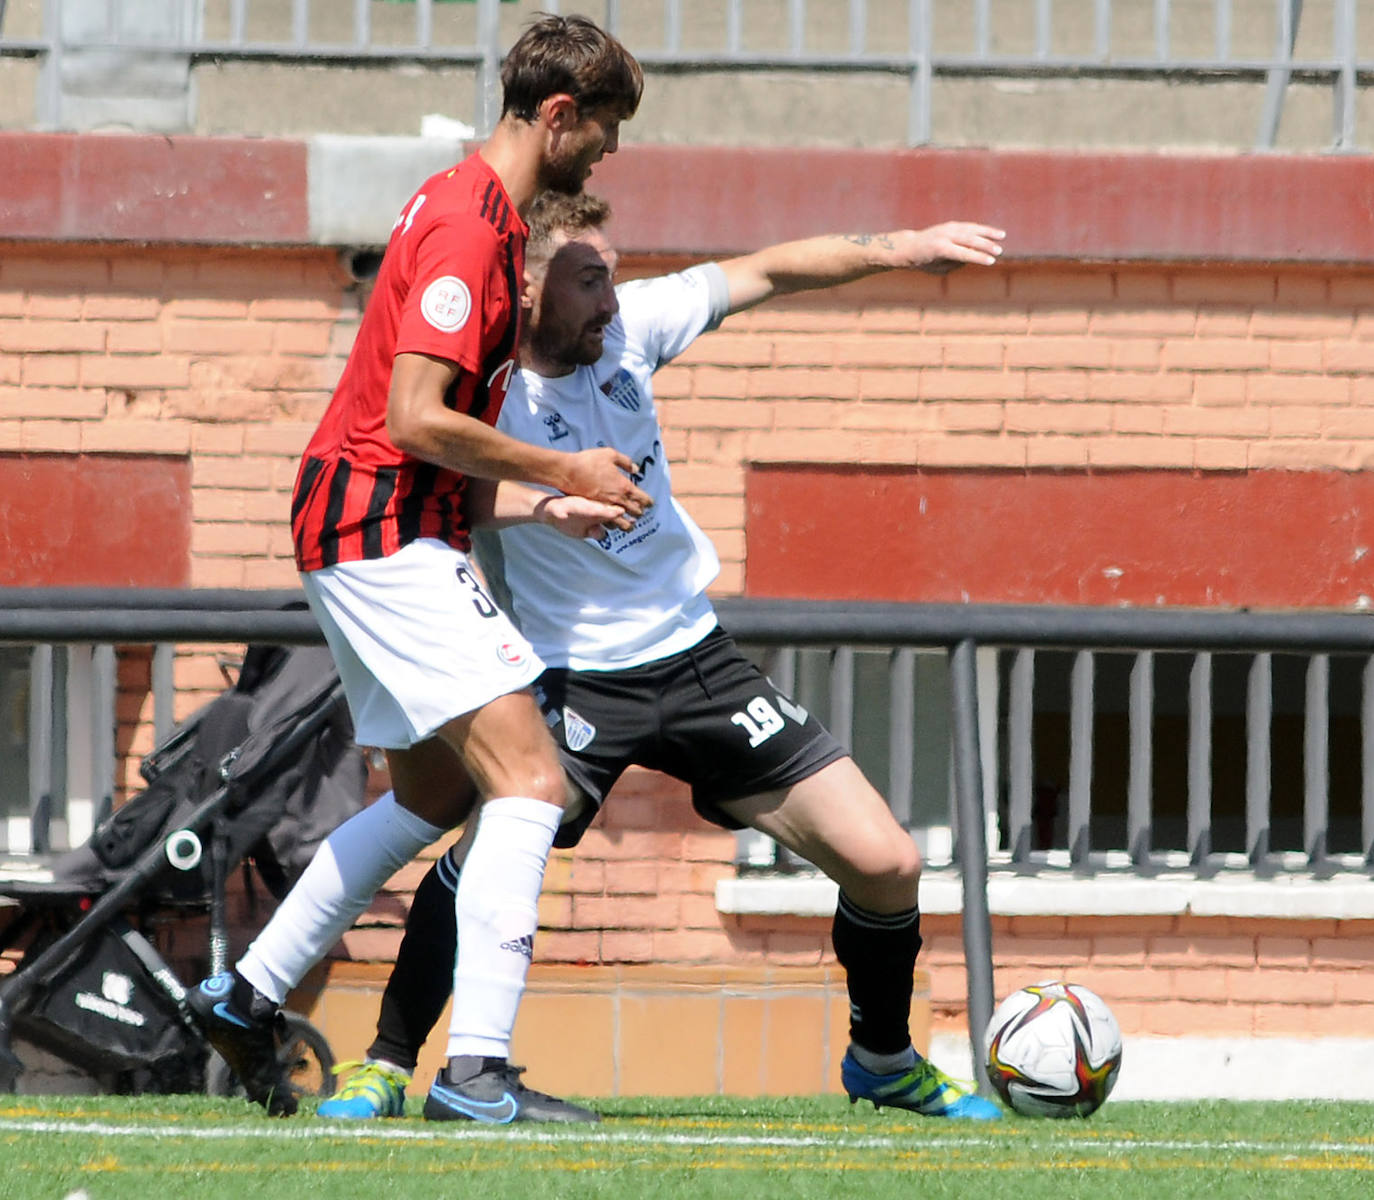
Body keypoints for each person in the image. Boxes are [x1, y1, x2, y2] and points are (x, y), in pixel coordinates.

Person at [315, 191, 1008, 1123]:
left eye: (611, 274)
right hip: (568, 675)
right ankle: (389, 1063)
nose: (610, 297)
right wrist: (546, 497)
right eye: (589, 279)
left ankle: (882, 1061)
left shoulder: (632, 328)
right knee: (487, 854)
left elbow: (767, 267)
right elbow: (435, 503)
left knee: (887, 863)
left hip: (697, 659)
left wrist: (905, 247)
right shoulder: (481, 394)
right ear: (525, 288)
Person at [187, 16, 645, 1123]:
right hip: (380, 533)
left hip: (375, 524)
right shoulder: (467, 227)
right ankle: (477, 1072)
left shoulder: (467, 211)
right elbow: (413, 418)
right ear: (557, 117)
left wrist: (546, 503)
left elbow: (428, 443)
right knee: (531, 778)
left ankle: (246, 996)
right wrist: (565, 457)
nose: (609, 158)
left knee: (437, 790)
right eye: (605, 134)